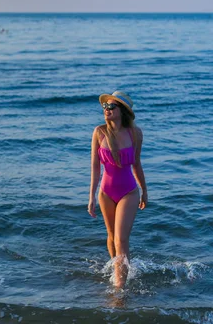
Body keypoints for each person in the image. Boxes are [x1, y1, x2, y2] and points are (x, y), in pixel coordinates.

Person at [88, 91, 148, 288]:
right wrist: (91, 197)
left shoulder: (135, 133)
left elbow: (137, 164)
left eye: (111, 107)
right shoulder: (99, 132)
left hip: (129, 191)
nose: (107, 110)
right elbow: (95, 167)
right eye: (105, 107)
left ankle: (119, 289)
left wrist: (144, 190)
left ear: (122, 111)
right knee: (112, 237)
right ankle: (120, 272)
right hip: (105, 192)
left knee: (121, 240)